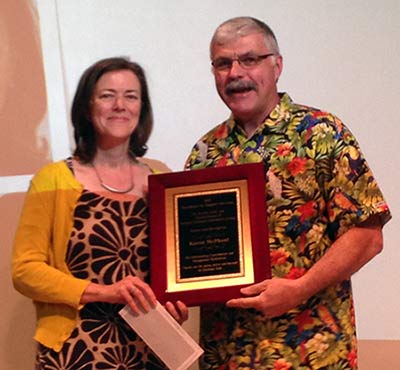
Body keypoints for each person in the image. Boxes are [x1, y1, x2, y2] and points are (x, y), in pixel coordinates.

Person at [185, 17, 391, 369]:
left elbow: (368, 236)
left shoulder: (323, 133)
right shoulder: (205, 154)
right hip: (228, 355)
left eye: (249, 59)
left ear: (277, 66)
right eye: (223, 63)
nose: (236, 72)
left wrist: (300, 288)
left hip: (312, 352)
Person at [12, 57, 188, 369]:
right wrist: (105, 292)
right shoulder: (52, 179)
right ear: (87, 106)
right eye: (107, 95)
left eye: (131, 96)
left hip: (152, 351)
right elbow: (25, 271)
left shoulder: (162, 178)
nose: (120, 105)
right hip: (76, 350)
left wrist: (177, 303)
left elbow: (178, 268)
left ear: (141, 108)